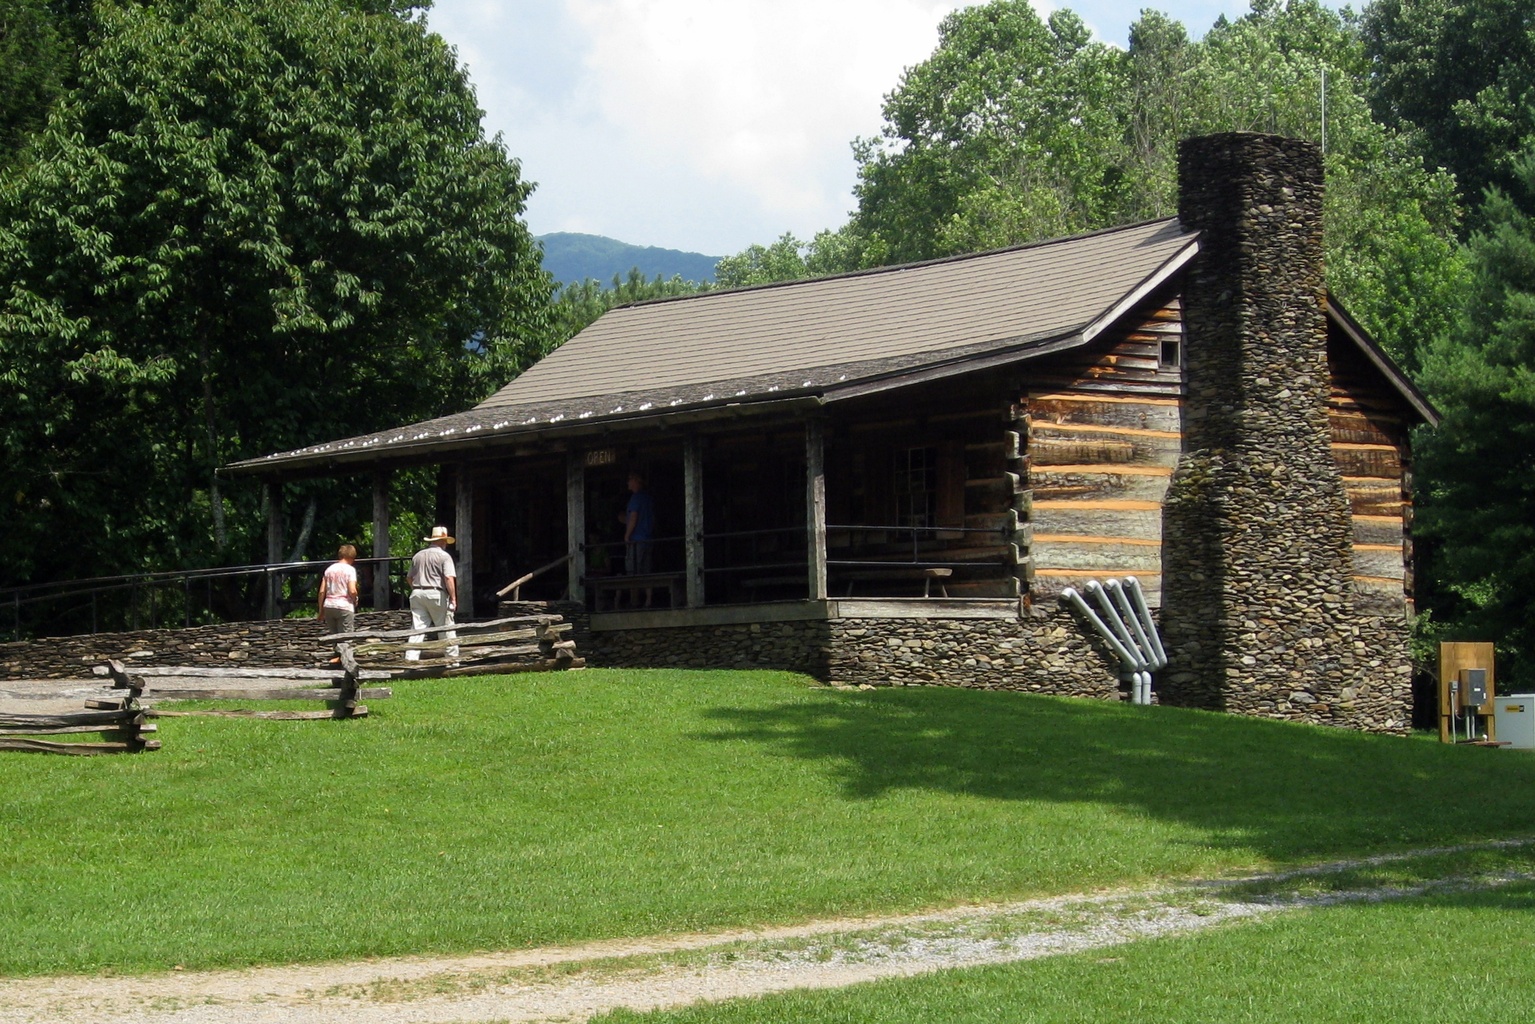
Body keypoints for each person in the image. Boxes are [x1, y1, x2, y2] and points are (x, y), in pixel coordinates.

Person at [407, 525, 458, 663]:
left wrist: (417, 588)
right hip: (436, 593)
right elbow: (448, 578)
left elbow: (409, 578)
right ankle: (452, 661)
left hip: (417, 592)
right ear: (442, 541)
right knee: (446, 628)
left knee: (417, 629)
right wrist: (453, 598)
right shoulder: (444, 556)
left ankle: (410, 660)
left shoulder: (418, 555)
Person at [617, 470, 655, 606]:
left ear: (636, 481)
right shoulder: (648, 498)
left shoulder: (636, 498)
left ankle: (634, 600)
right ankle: (648, 600)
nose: (628, 482)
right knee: (646, 570)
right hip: (648, 539)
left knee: (633, 571)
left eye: (630, 479)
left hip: (636, 540)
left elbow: (633, 517)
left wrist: (627, 535)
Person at [316, 544, 360, 634]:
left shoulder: (329, 569)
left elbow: (321, 591)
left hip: (329, 606)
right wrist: (355, 599)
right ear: (352, 557)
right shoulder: (350, 570)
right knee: (346, 638)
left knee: (334, 637)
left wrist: (321, 610)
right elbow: (352, 590)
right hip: (344, 606)